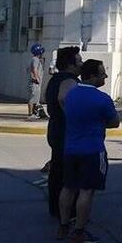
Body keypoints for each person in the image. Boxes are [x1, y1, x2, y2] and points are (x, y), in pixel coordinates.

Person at [57, 60, 120, 243]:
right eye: (102, 74)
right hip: (93, 150)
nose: (105, 77)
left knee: (68, 187)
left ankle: (63, 225)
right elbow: (114, 122)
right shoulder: (102, 99)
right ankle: (79, 231)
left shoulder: (71, 95)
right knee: (87, 190)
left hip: (70, 149)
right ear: (92, 77)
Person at [45, 46, 82, 218]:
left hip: (56, 128)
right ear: (70, 64)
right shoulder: (69, 80)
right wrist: (75, 117)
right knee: (68, 172)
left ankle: (55, 207)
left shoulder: (55, 79)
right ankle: (67, 210)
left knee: (57, 169)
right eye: (79, 61)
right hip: (65, 130)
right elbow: (63, 99)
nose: (81, 64)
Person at [27, 43, 46, 119]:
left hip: (35, 82)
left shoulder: (34, 59)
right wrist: (37, 78)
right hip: (35, 82)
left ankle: (35, 113)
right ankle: (30, 114)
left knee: (36, 98)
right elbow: (34, 69)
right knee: (33, 98)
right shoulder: (35, 59)